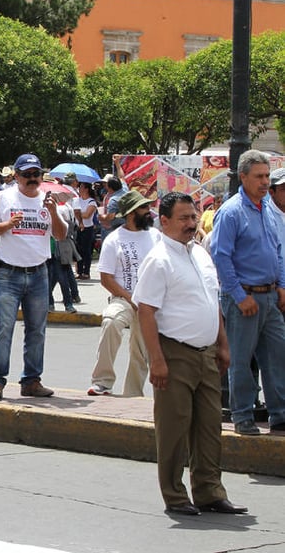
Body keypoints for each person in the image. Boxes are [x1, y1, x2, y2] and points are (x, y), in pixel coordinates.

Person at [133, 191, 247, 516]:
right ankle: (175, 495)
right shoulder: (159, 260)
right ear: (164, 221)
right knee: (174, 428)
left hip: (207, 352)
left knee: (210, 426)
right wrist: (156, 359)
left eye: (193, 217)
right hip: (175, 353)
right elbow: (146, 312)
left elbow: (214, 302)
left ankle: (210, 491)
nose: (191, 223)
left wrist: (222, 343)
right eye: (183, 218)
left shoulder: (200, 254)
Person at [210, 149, 285, 436]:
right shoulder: (231, 212)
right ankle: (242, 416)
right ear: (243, 177)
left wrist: (281, 286)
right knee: (240, 360)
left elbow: (276, 251)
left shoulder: (266, 208)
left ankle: (279, 414)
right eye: (259, 176)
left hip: (269, 296)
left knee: (277, 356)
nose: (265, 182)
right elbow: (221, 257)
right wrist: (241, 297)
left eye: (267, 176)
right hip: (244, 297)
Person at [0, 154, 67, 400]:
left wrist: (53, 213)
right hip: (9, 273)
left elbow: (60, 236)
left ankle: (31, 380)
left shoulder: (48, 201)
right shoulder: (3, 198)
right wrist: (7, 225)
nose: (32, 179)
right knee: (4, 327)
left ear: (41, 176)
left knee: (37, 330)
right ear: (16, 176)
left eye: (36, 174)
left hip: (39, 273)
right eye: (26, 174)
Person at [87, 190, 160, 397]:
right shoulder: (114, 240)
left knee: (141, 348)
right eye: (144, 208)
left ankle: (133, 393)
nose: (149, 212)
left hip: (151, 302)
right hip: (123, 298)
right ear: (130, 214)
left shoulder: (156, 236)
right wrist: (131, 299)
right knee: (111, 321)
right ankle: (102, 381)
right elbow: (106, 278)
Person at [75, 182, 98, 280]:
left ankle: (86, 272)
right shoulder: (77, 200)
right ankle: (79, 271)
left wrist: (77, 213)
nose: (79, 189)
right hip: (77, 227)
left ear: (86, 189)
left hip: (88, 228)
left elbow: (87, 215)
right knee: (78, 250)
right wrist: (78, 213)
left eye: (81, 187)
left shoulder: (91, 202)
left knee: (86, 250)